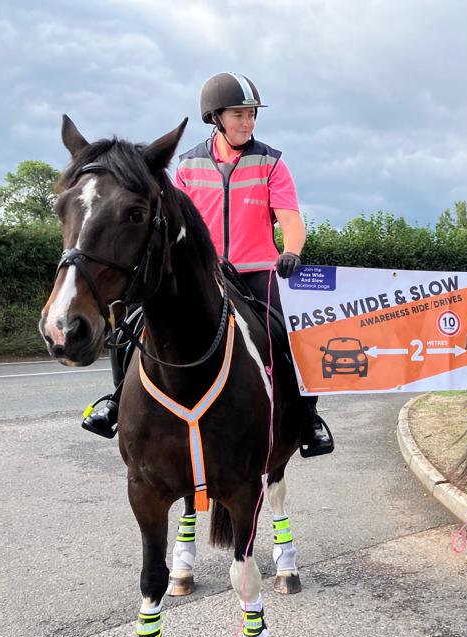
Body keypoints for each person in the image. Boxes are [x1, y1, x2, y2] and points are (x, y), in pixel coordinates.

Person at [82, 71, 333, 457]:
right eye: (238, 115)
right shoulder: (187, 165)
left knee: (299, 334)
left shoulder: (271, 163)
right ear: (215, 117)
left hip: (257, 270)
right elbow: (170, 220)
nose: (247, 122)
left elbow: (290, 218)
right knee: (130, 323)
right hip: (202, 273)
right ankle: (116, 400)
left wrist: (292, 251)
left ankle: (308, 418)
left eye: (252, 115)